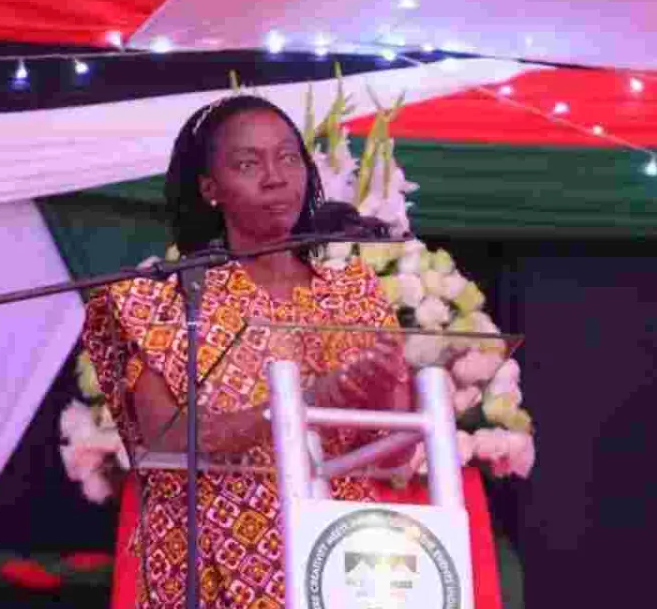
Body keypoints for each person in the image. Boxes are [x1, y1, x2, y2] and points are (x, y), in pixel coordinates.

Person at [81, 94, 412, 608]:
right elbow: (166, 440)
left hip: (337, 563)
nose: (275, 177)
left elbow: (397, 455)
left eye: (287, 158)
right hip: (206, 563)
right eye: (248, 164)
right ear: (210, 189)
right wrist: (300, 404)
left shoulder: (355, 294)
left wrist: (383, 395)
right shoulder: (169, 300)